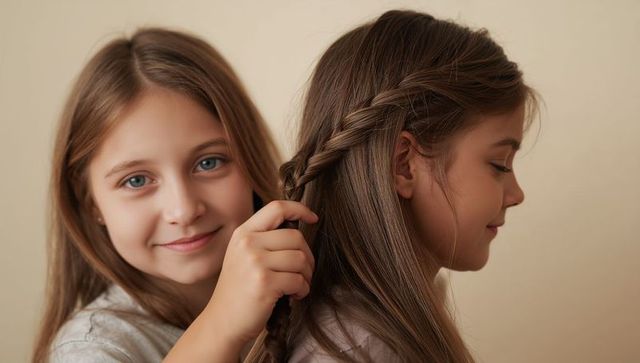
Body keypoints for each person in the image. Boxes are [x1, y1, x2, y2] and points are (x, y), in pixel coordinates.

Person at [246, 9, 538, 363]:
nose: (517, 194)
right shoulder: (360, 349)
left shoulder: (382, 329)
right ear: (404, 164)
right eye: (499, 165)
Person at [32, 28, 317, 363]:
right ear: (91, 203)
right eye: (136, 181)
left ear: (249, 157)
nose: (183, 210)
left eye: (209, 163)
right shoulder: (93, 347)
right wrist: (221, 325)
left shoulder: (317, 296)